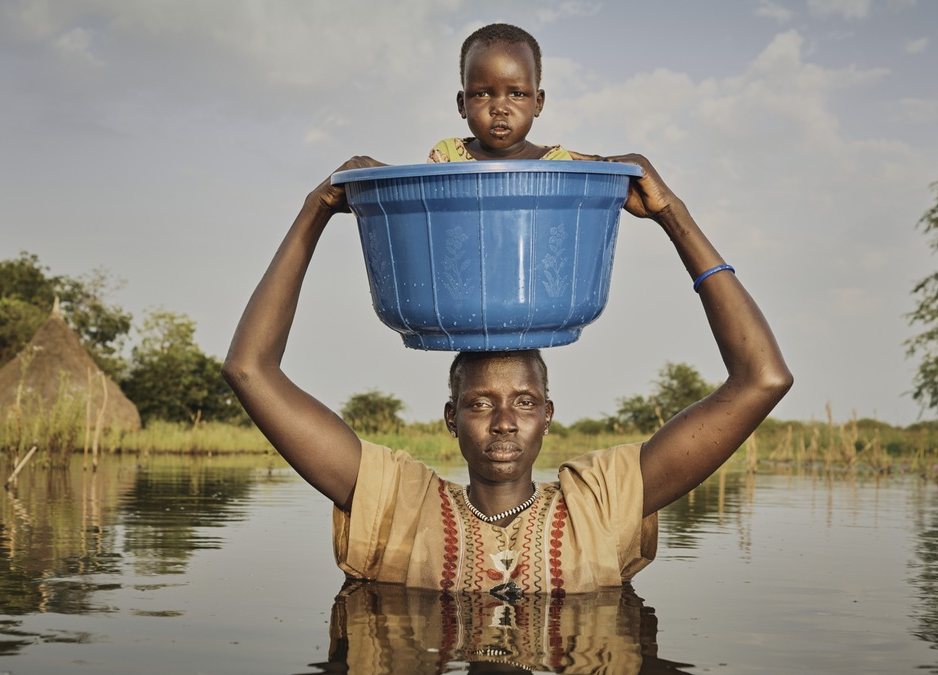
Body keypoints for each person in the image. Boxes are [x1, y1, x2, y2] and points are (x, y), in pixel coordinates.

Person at [222, 27, 791, 599]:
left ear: (547, 413)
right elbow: (249, 371)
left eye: (523, 402)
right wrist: (314, 209)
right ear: (450, 417)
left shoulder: (604, 504)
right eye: (479, 403)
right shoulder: (396, 502)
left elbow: (763, 379)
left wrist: (674, 216)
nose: (503, 421)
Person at [428, 24, 572, 163]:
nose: (499, 109)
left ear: (538, 103)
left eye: (517, 94)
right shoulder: (448, 156)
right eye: (482, 94)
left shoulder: (556, 162)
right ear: (462, 104)